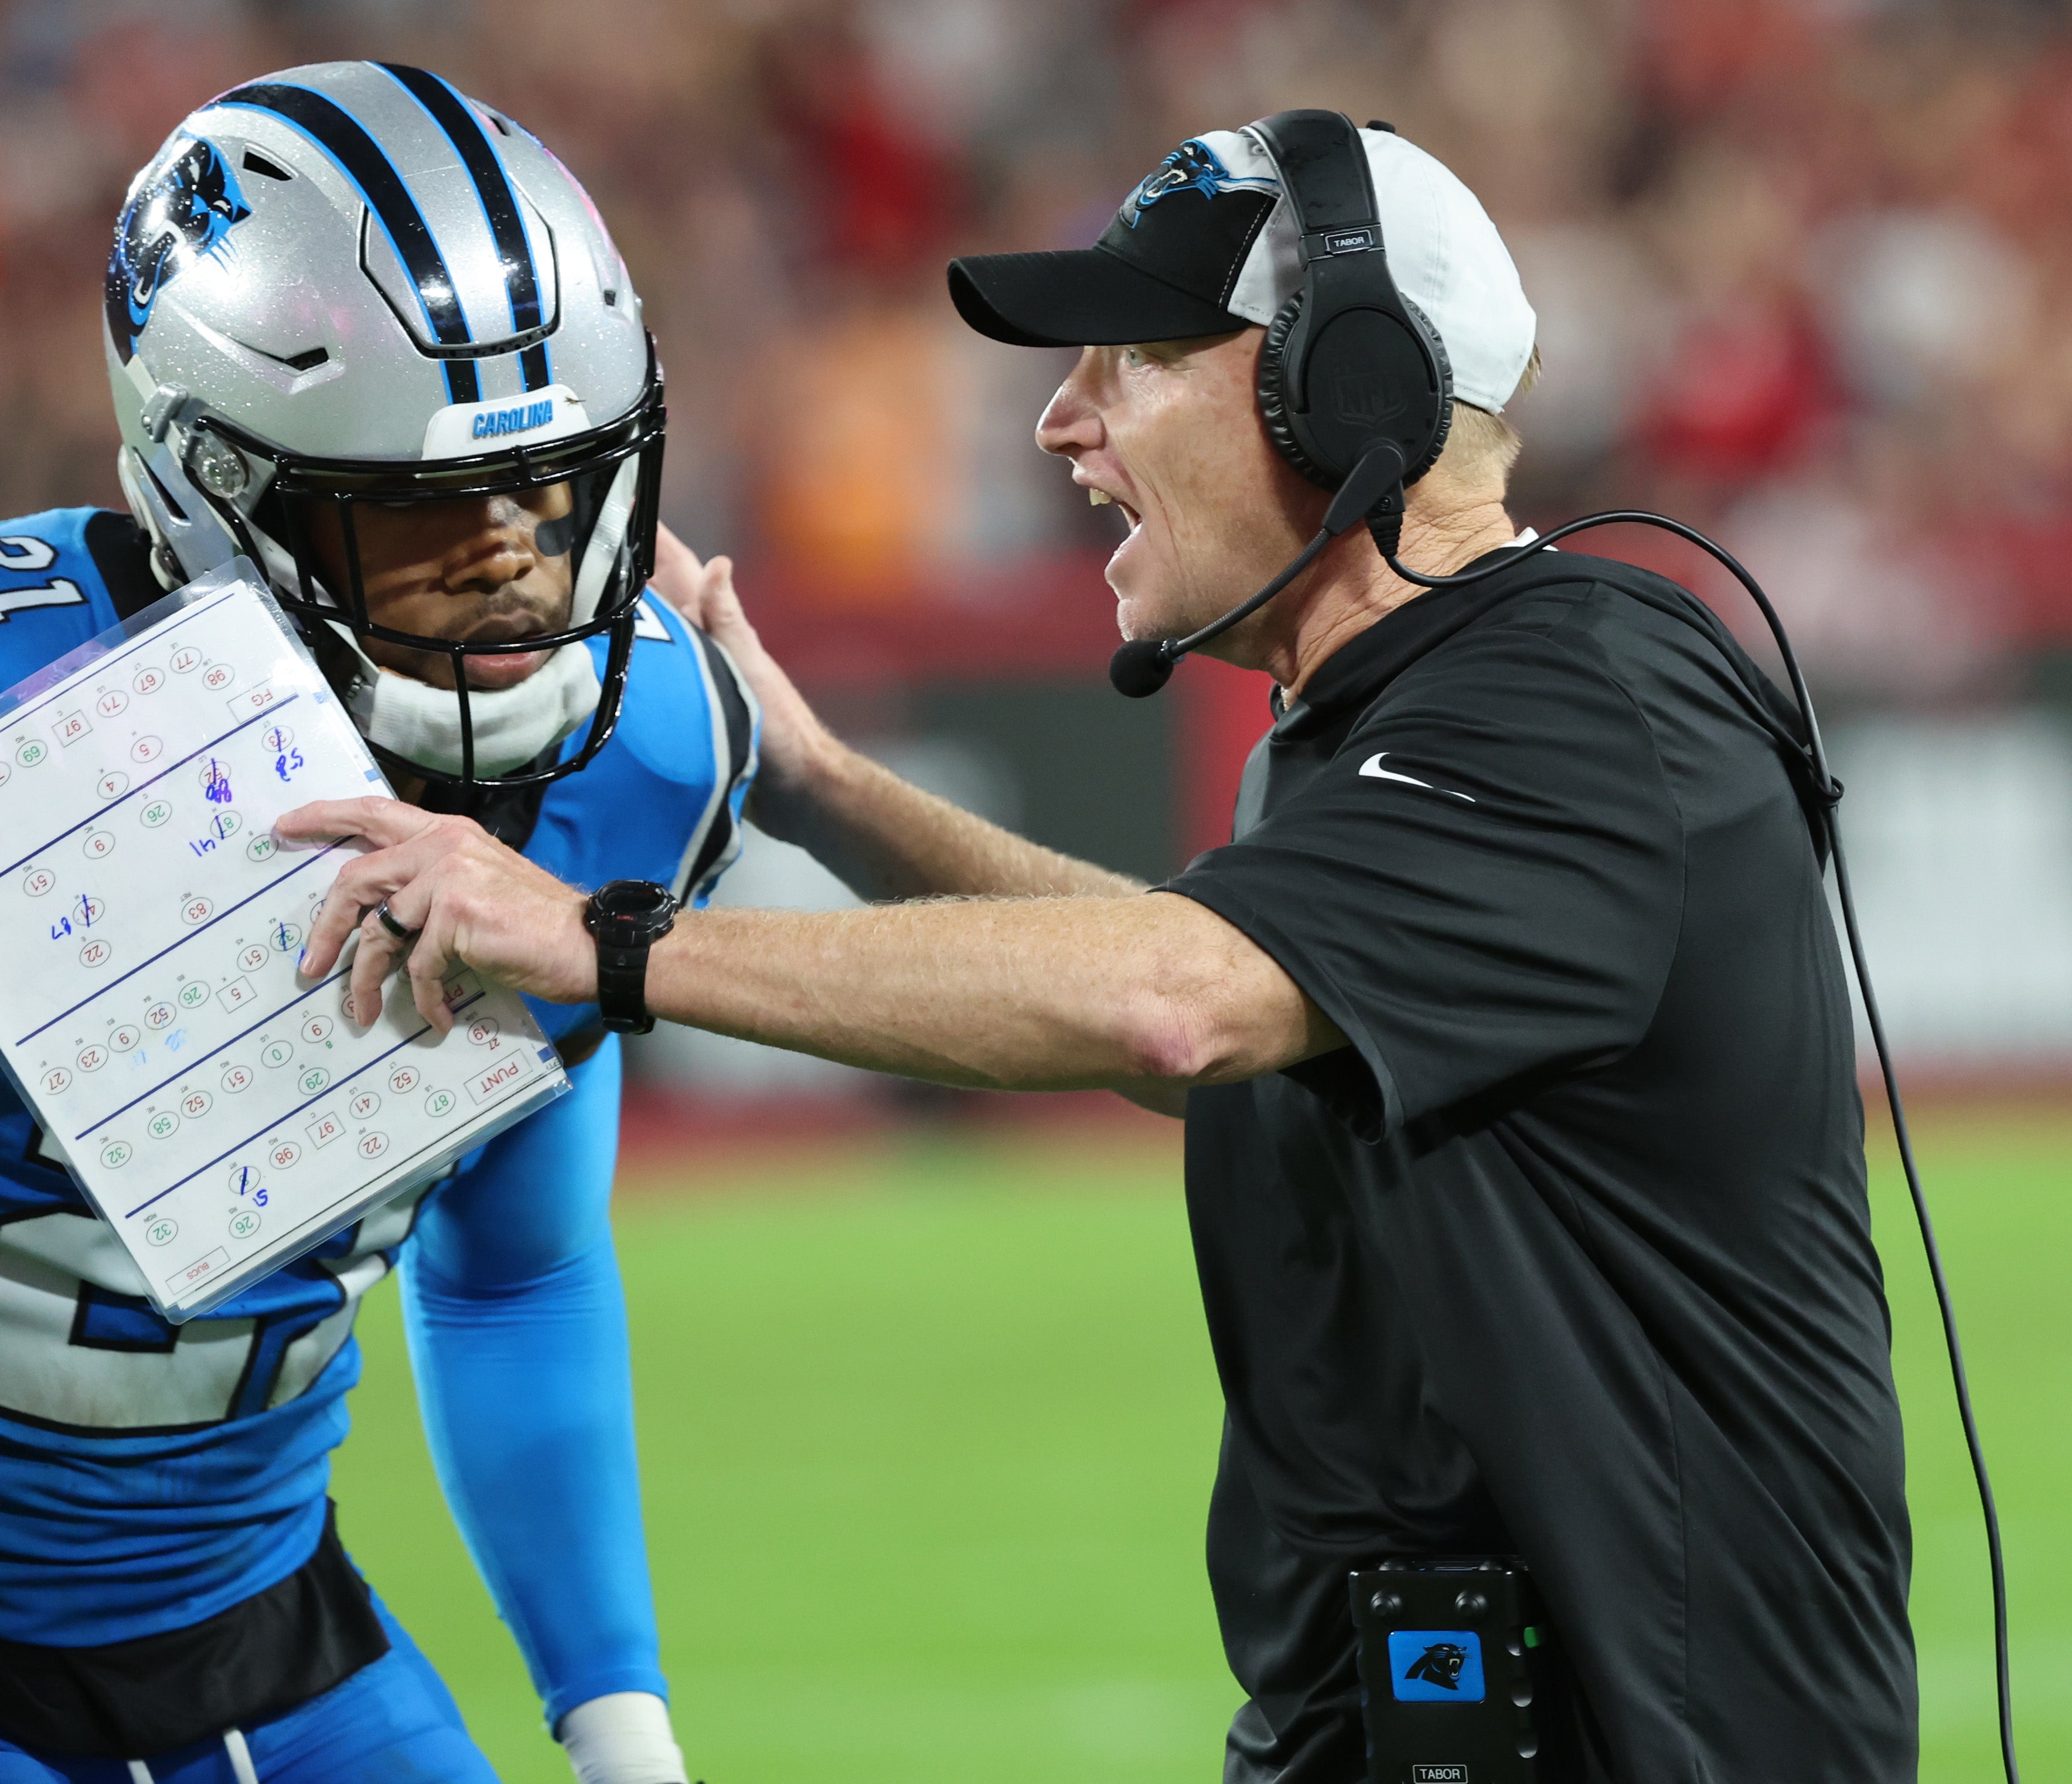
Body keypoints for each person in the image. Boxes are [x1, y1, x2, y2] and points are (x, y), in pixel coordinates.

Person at [286, 117, 1919, 1782]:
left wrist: (594, 939)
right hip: (1423, 1727)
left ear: (1345, 392)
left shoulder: (1577, 705)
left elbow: (1170, 1007)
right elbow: (1234, 1024)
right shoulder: (1389, 714)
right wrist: (826, 793)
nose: (1062, 420)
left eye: (1138, 358)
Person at [0, 63, 755, 1784]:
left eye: (557, 492)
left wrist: (619, 1724)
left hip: (270, 1619)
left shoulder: (646, 756)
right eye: (422, 513)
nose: (512, 572)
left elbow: (518, 1271)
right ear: (220, 494)